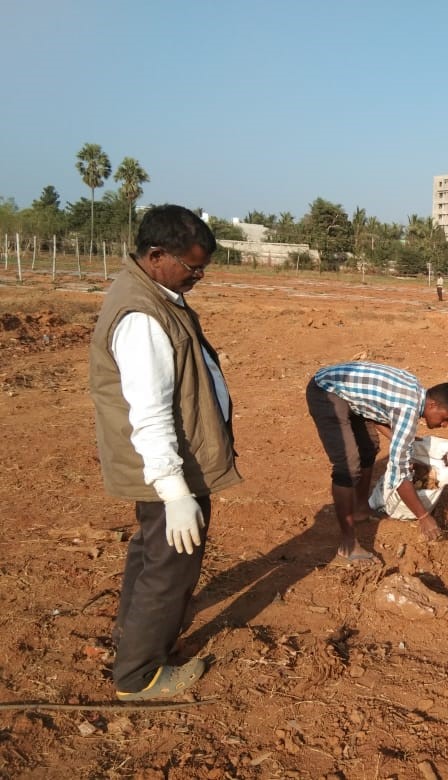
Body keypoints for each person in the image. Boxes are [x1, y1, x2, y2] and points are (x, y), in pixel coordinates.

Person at [88, 205, 241, 701]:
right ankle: (139, 675)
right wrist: (176, 491)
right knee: (171, 565)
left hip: (170, 460)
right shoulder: (142, 316)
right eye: (192, 267)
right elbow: (149, 412)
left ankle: (132, 639)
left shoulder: (156, 294)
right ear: (156, 255)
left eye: (202, 269)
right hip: (168, 466)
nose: (197, 277)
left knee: (151, 553)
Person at [306, 361, 448, 561]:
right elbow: (398, 475)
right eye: (445, 419)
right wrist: (424, 517)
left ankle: (361, 509)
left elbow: (375, 411)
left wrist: (402, 441)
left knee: (369, 447)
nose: (444, 425)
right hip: (326, 391)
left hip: (348, 395)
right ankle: (347, 543)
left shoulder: (416, 392)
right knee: (348, 465)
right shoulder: (409, 408)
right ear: (433, 405)